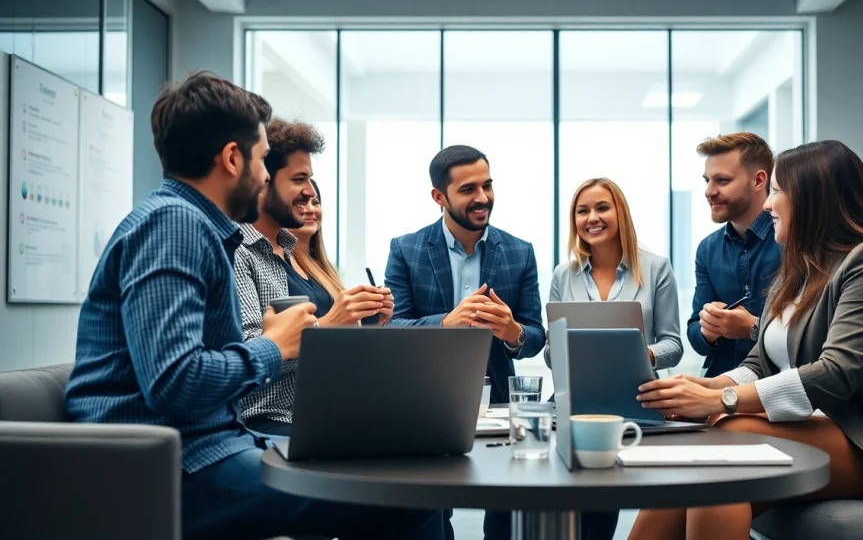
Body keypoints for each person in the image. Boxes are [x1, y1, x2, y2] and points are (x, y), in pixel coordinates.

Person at [64, 72, 442, 540]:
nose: (265, 177)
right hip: (169, 466)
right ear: (231, 158)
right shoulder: (174, 226)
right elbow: (173, 382)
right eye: (263, 160)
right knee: (407, 497)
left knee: (402, 478)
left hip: (210, 446)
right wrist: (276, 346)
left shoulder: (194, 226)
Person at [628, 140, 863, 540]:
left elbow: (836, 373)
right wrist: (701, 387)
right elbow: (760, 364)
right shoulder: (798, 271)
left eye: (776, 191)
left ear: (813, 198)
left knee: (730, 436)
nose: (769, 204)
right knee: (704, 460)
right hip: (833, 426)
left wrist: (719, 401)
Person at [385, 144, 546, 540]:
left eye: (487, 185)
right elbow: (391, 330)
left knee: (508, 510)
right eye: (468, 189)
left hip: (500, 403)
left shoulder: (519, 252)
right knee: (433, 513)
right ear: (439, 197)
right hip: (427, 402)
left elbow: (536, 335)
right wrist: (445, 323)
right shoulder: (405, 249)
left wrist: (514, 332)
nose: (483, 198)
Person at [545, 177, 684, 540]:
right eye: (582, 210)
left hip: (635, 400)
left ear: (620, 212)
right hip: (575, 403)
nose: (592, 217)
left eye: (602, 207)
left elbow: (673, 343)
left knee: (603, 501)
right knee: (566, 505)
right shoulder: (564, 274)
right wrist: (560, 349)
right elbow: (549, 354)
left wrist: (640, 352)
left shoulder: (656, 268)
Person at [233, 117, 390, 437]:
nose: (309, 191)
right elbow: (252, 355)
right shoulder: (238, 252)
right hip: (270, 422)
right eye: (299, 179)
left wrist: (366, 324)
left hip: (322, 412)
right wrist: (330, 324)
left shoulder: (288, 250)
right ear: (264, 183)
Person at [687, 133, 781, 377]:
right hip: (719, 387)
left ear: (759, 180)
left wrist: (752, 327)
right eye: (707, 180)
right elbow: (695, 336)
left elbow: (809, 336)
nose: (709, 191)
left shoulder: (791, 240)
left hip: (777, 386)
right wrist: (708, 328)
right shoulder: (708, 249)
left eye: (722, 180)